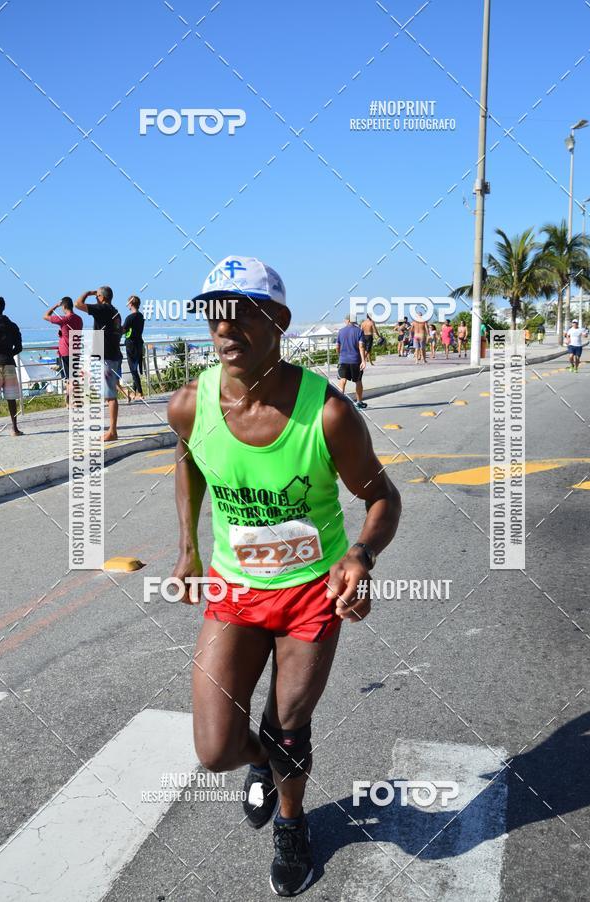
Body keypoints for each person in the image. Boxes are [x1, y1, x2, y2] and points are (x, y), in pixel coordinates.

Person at [168, 255, 401, 898]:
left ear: (279, 321)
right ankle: (266, 764)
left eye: (241, 312)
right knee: (216, 748)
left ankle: (292, 826)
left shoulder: (325, 414)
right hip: (234, 590)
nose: (224, 328)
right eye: (214, 314)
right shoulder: (189, 405)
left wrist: (360, 556)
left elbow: (383, 497)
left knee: (288, 724)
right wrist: (188, 546)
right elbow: (187, 464)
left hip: (310, 594)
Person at [75, 287, 123, 440]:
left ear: (101, 297)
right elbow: (119, 331)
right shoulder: (116, 312)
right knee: (109, 393)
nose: (96, 299)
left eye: (97, 296)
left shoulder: (102, 308)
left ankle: (112, 431)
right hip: (114, 354)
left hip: (106, 355)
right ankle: (112, 430)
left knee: (110, 396)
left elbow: (78, 304)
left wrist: (88, 293)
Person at [43, 297, 83, 407]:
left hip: (65, 352)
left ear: (64, 307)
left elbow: (45, 316)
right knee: (74, 376)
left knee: (69, 379)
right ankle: (75, 400)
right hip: (76, 350)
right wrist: (62, 334)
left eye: (61, 307)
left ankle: (72, 402)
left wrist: (56, 305)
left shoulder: (63, 319)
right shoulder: (79, 319)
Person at [0, 296, 23, 435]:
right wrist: (9, 354)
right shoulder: (12, 325)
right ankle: (14, 428)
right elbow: (19, 347)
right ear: (3, 307)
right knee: (11, 398)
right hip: (8, 363)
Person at [336, 314, 367, 409]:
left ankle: (339, 403)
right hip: (355, 360)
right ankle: (359, 402)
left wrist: (339, 356)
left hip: (343, 360)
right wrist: (363, 361)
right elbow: (361, 346)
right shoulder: (359, 331)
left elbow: (337, 347)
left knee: (342, 380)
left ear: (348, 320)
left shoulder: (341, 331)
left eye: (345, 320)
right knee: (358, 381)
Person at [122, 295, 145, 401]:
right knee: (135, 368)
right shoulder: (141, 316)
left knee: (133, 370)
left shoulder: (130, 318)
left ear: (130, 304)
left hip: (131, 345)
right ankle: (134, 392)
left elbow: (123, 330)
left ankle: (140, 392)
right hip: (139, 343)